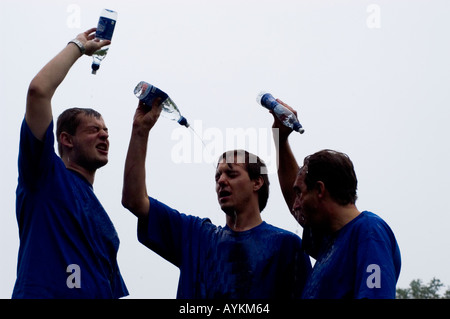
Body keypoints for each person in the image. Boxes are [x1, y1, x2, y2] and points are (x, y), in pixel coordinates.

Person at [121, 100, 312, 299]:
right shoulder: (195, 235)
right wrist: (140, 130)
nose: (221, 181)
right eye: (217, 176)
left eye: (231, 174)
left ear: (257, 182)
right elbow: (134, 200)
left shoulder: (287, 246)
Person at [13, 28, 128, 298]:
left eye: (106, 131)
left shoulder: (106, 226)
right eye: (93, 130)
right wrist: (78, 46)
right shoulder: (44, 176)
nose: (104, 135)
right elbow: (38, 91)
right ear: (66, 140)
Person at [270, 98, 401, 299]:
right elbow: (295, 202)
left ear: (320, 190)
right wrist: (279, 139)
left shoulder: (368, 233)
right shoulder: (329, 241)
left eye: (300, 194)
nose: (295, 205)